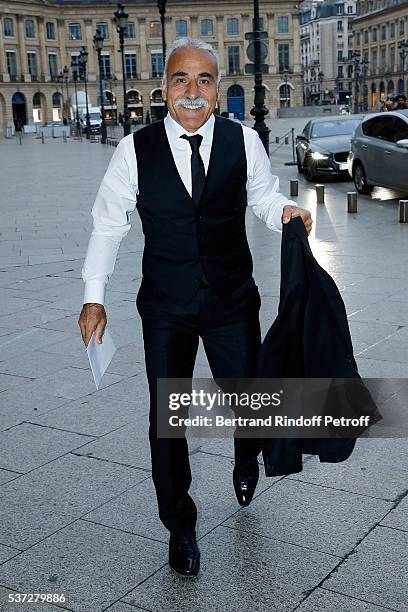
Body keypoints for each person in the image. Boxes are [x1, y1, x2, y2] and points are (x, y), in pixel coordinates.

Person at [78, 38, 312, 578]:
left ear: (216, 89)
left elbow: (262, 196)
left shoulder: (243, 140)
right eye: (181, 79)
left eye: (204, 80)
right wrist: (94, 296)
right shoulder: (134, 150)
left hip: (231, 300)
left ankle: (245, 454)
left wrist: (285, 212)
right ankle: (180, 526)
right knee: (168, 420)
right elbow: (109, 224)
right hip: (166, 307)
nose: (192, 91)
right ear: (164, 88)